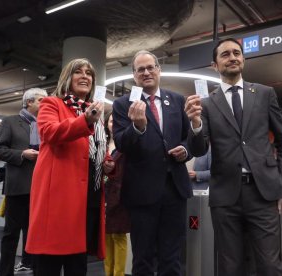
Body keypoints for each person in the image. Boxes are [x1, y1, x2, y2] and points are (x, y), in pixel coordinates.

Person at [185, 38, 282, 276]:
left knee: (270, 265)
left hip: (262, 193)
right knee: (229, 266)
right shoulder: (207, 103)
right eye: (225, 54)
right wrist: (195, 124)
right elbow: (200, 150)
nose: (232, 57)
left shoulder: (265, 93)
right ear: (215, 65)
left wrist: (279, 182)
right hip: (225, 196)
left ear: (243, 59)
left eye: (237, 53)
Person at [26, 58, 112, 276]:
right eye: (78, 72)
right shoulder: (52, 104)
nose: (85, 76)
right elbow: (49, 132)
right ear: (67, 77)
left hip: (88, 199)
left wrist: (108, 164)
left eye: (89, 73)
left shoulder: (94, 114)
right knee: (50, 265)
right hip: (59, 200)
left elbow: (95, 149)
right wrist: (85, 120)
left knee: (78, 265)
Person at [112, 50, 192, 276]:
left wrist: (185, 149)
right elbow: (121, 143)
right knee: (143, 258)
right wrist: (137, 127)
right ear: (134, 75)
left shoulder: (176, 100)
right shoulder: (122, 104)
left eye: (150, 67)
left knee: (172, 257)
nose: (146, 72)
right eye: (140, 69)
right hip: (141, 192)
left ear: (159, 70)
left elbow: (189, 138)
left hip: (174, 190)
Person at [0, 87, 48, 276]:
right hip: (17, 188)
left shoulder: (46, 125)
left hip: (41, 189)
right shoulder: (10, 122)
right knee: (11, 235)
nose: (45, 104)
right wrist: (21, 154)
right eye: (41, 100)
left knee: (37, 236)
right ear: (29, 102)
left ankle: (36, 269)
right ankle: (5, 272)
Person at [103, 111, 131, 276]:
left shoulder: (126, 144)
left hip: (121, 194)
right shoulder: (103, 143)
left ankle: (118, 273)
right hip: (103, 193)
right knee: (106, 236)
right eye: (111, 121)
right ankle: (108, 273)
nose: (114, 124)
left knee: (118, 235)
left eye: (117, 121)